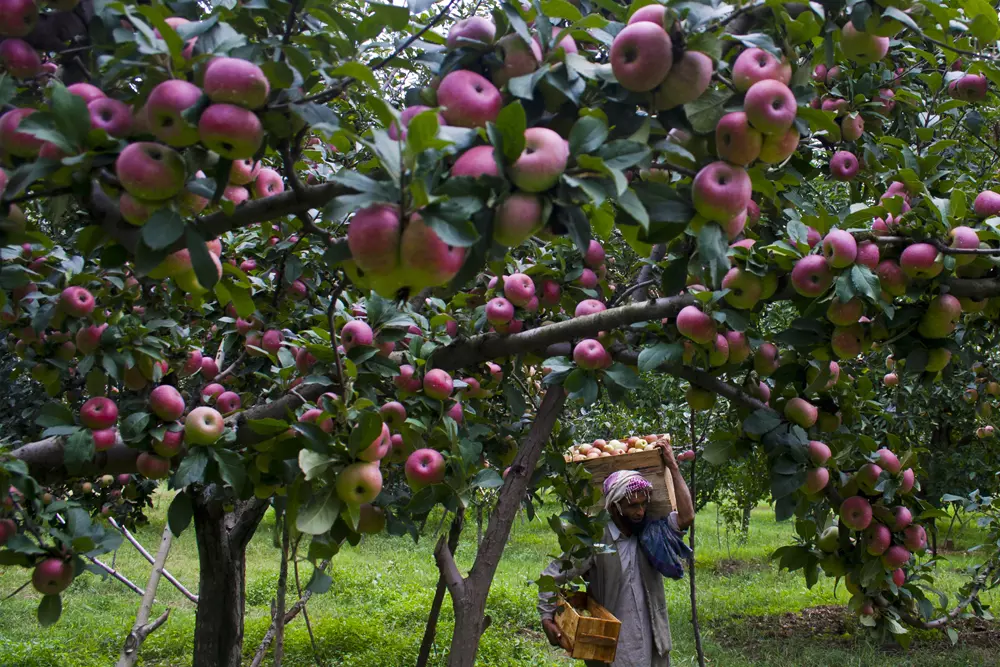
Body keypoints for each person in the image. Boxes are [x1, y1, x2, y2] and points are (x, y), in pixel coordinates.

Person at [538, 441, 695, 666]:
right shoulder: (595, 540)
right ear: (614, 507)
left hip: (651, 643)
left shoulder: (651, 534)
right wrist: (546, 617)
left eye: (643, 504)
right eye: (632, 506)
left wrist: (673, 466)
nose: (640, 511)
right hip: (611, 650)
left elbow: (686, 516)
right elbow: (551, 576)